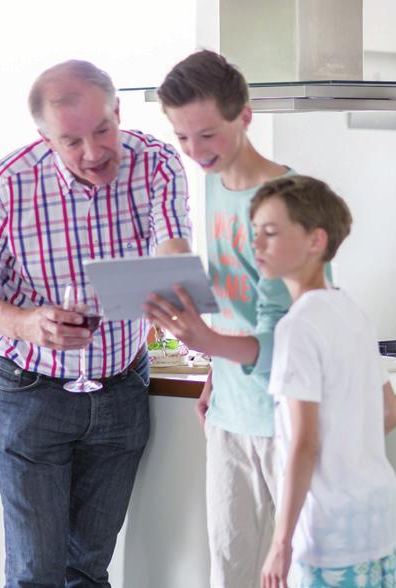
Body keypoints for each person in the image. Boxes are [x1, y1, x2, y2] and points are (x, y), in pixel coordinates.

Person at [0, 60, 191, 586]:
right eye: (71, 141)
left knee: (88, 568)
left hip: (123, 388)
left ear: (118, 111)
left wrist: (172, 283)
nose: (94, 153)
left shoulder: (157, 162)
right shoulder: (9, 187)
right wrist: (29, 323)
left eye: (103, 130)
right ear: (43, 136)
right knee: (37, 573)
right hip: (31, 394)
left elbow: (172, 243)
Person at [147, 49, 295, 587]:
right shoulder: (213, 185)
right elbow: (239, 306)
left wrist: (205, 339)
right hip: (230, 416)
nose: (194, 151)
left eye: (206, 135)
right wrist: (216, 371)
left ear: (245, 116)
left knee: (299, 574)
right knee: (229, 574)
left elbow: (288, 339)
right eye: (182, 138)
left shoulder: (288, 202)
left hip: (288, 419)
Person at [251, 176, 396, 588]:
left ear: (315, 241)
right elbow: (390, 412)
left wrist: (280, 543)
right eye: (255, 233)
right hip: (377, 520)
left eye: (271, 232)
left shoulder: (296, 327)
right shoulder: (351, 311)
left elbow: (304, 444)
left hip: (328, 533)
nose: (257, 245)